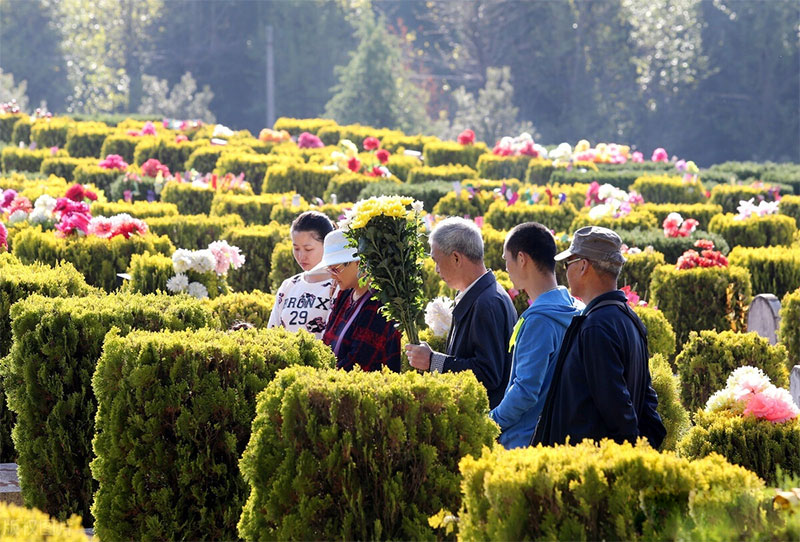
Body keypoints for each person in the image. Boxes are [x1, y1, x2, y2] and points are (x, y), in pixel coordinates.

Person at [531, 226, 666, 448]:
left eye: (568, 263)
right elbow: (646, 404)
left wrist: (631, 455)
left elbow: (617, 410)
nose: (566, 272)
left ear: (583, 266)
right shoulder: (628, 318)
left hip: (591, 462)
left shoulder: (597, 326)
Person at [405, 217, 516, 409]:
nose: (436, 270)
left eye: (436, 261)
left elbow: (488, 374)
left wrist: (432, 361)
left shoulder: (487, 303)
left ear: (456, 258)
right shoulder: (482, 294)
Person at [488, 222, 583, 449]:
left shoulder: (539, 320)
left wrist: (490, 423)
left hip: (523, 443)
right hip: (558, 437)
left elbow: (525, 391)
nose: (506, 268)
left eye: (506, 260)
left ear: (522, 259)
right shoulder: (576, 308)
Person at [306, 229, 401, 372]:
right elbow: (327, 342)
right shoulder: (345, 294)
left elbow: (358, 365)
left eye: (335, 269)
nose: (332, 276)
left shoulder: (380, 305)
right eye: (329, 269)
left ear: (358, 262)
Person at [268, 211, 336, 339]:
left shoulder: (339, 286)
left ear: (327, 245)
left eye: (308, 249)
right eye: (296, 248)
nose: (301, 256)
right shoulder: (288, 285)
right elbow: (271, 334)